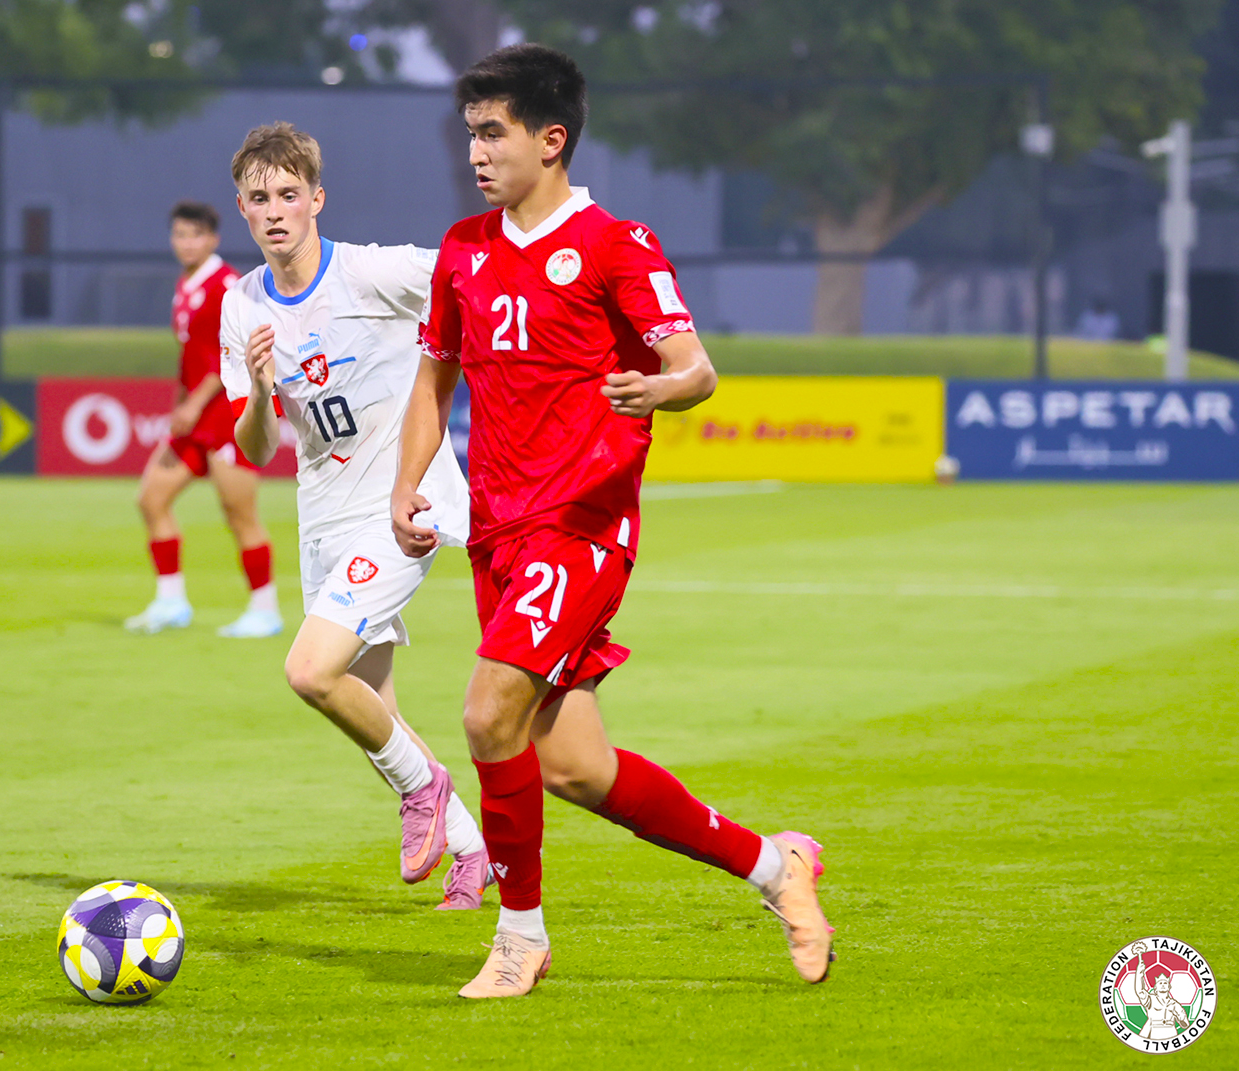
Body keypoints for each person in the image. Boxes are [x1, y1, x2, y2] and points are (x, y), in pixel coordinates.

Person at [392, 44, 835, 997]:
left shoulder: (614, 244)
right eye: (470, 134)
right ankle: (776, 867)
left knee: (486, 712)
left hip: (582, 527)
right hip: (499, 532)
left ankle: (520, 937)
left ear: (551, 139)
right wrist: (406, 486)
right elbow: (434, 378)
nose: (476, 152)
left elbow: (696, 367)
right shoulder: (463, 248)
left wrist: (660, 389)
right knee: (575, 768)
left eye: (493, 133)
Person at [221, 123, 492, 907]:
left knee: (310, 671)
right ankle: (475, 851)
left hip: (402, 506)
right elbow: (255, 446)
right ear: (242, 208)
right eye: (260, 198)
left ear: (317, 199)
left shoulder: (373, 273)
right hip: (323, 519)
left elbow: (474, 275)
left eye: (289, 194)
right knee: (376, 710)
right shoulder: (241, 305)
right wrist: (261, 390)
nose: (275, 210)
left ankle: (426, 790)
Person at [124, 201, 282, 638]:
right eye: (179, 234)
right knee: (151, 499)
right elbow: (191, 356)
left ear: (213, 239)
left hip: (227, 417)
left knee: (239, 513)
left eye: (195, 235)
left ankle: (265, 610)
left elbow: (226, 354)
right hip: (194, 419)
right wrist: (181, 403)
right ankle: (170, 602)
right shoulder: (186, 285)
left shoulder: (226, 285)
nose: (186, 243)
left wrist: (193, 405)